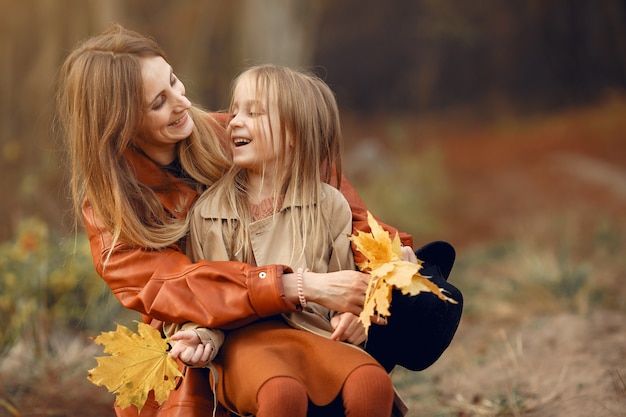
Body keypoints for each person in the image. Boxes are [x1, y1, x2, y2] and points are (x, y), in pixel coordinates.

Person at [56, 24, 463, 417]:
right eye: (157, 102)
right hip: (210, 329)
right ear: (120, 123)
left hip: (308, 312)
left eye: (174, 81)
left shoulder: (226, 132)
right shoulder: (110, 207)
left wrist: (384, 265)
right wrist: (295, 285)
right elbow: (180, 287)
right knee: (275, 388)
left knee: (418, 301)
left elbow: (331, 201)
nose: (181, 101)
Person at [165, 64, 396, 417]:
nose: (234, 121)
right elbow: (208, 295)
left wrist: (354, 318)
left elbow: (344, 285)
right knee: (281, 392)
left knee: (372, 383)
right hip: (243, 343)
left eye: (254, 112)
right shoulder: (212, 211)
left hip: (313, 334)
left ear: (294, 133)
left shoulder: (328, 204)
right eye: (236, 109)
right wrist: (201, 338)